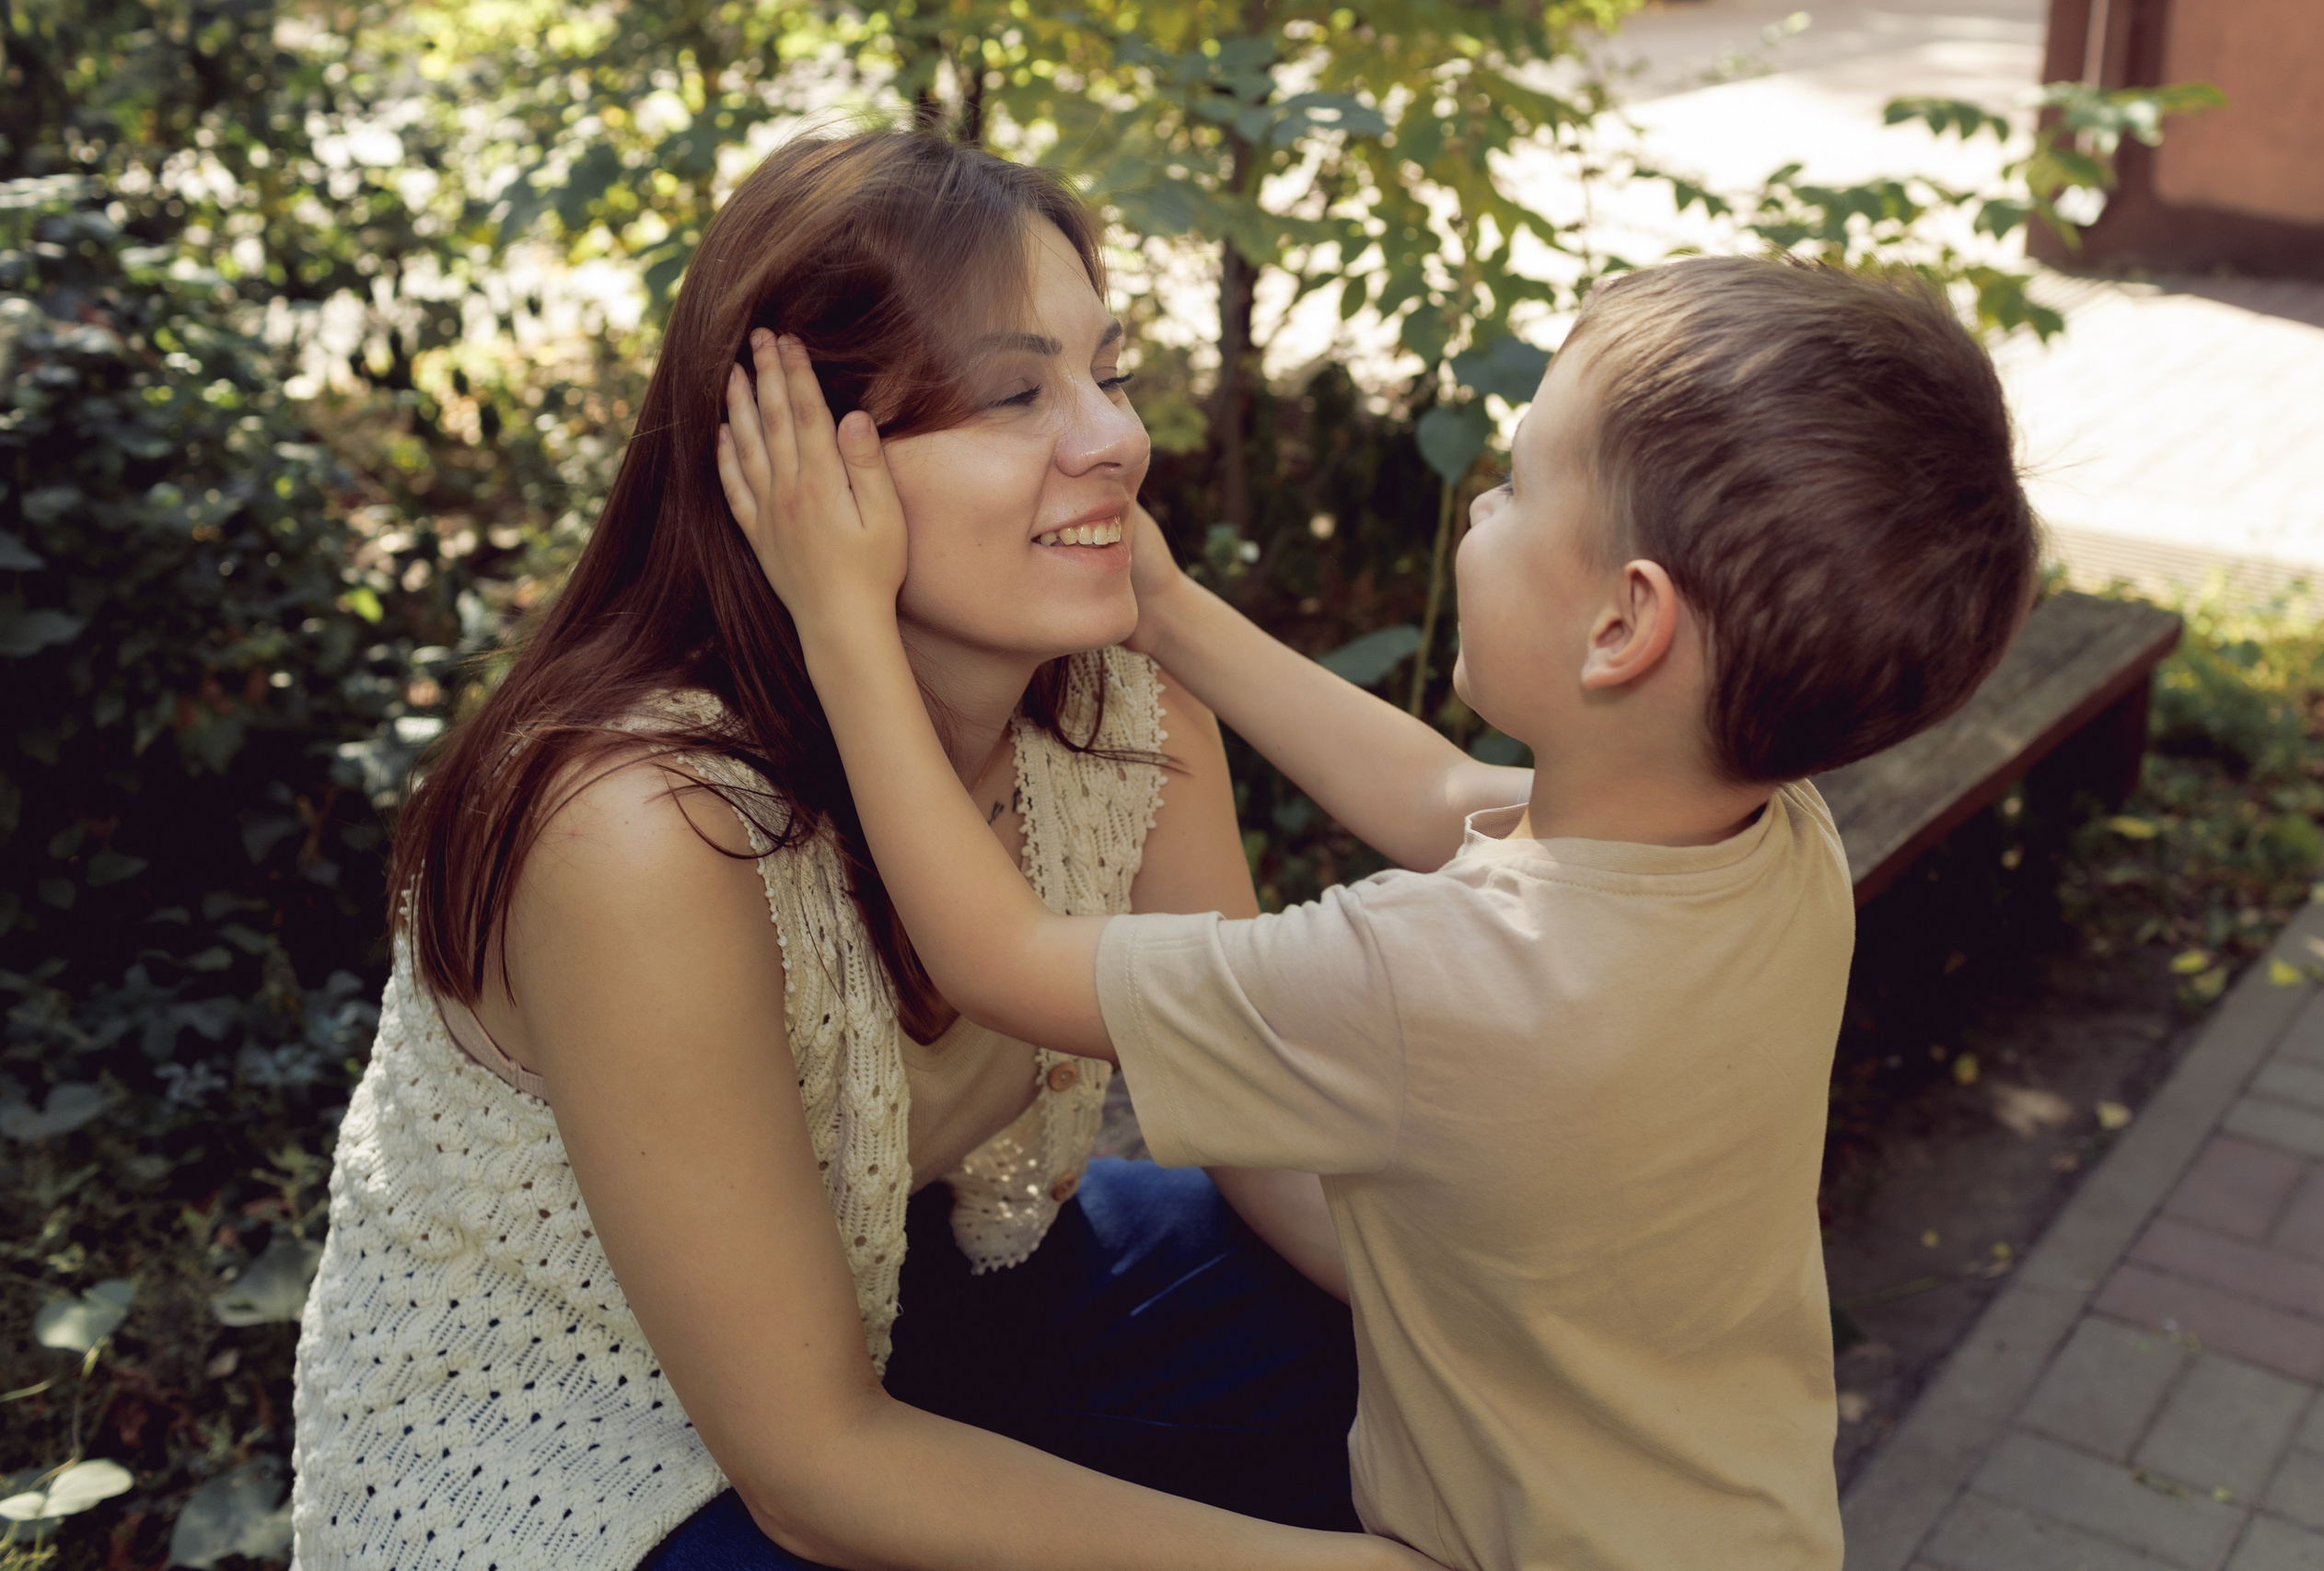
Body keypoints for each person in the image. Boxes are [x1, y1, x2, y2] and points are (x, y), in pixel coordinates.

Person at [714, 255, 2042, 1570]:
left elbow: (997, 955)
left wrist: (842, 619)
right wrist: (1165, 609)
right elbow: (1434, 787)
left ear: (1623, 625)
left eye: (1518, 484)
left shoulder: (1435, 980)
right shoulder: (1773, 840)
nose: (1479, 500)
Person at [288, 126, 1442, 1571]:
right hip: (592, 1457)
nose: (1114, 440)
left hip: (920, 1301)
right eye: (1015, 390)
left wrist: (1558, 1344)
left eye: (1111, 374)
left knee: (1415, 1345)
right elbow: (812, 1468)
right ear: (791, 465)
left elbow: (1269, 1137)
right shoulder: (642, 829)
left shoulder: (1124, 706)